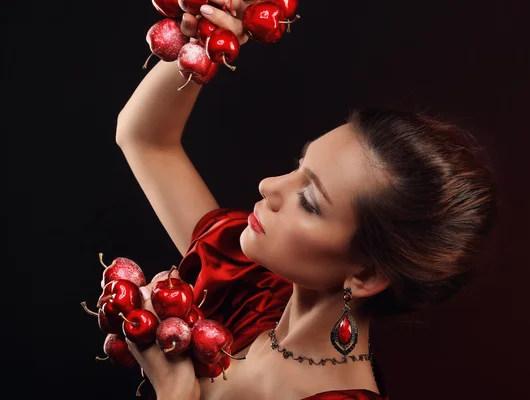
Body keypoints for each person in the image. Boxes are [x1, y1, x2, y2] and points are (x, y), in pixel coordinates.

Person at [115, 1, 498, 399]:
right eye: (299, 164)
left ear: (366, 276)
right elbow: (145, 140)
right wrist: (204, 42)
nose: (268, 186)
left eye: (310, 201)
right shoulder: (249, 284)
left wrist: (176, 392)